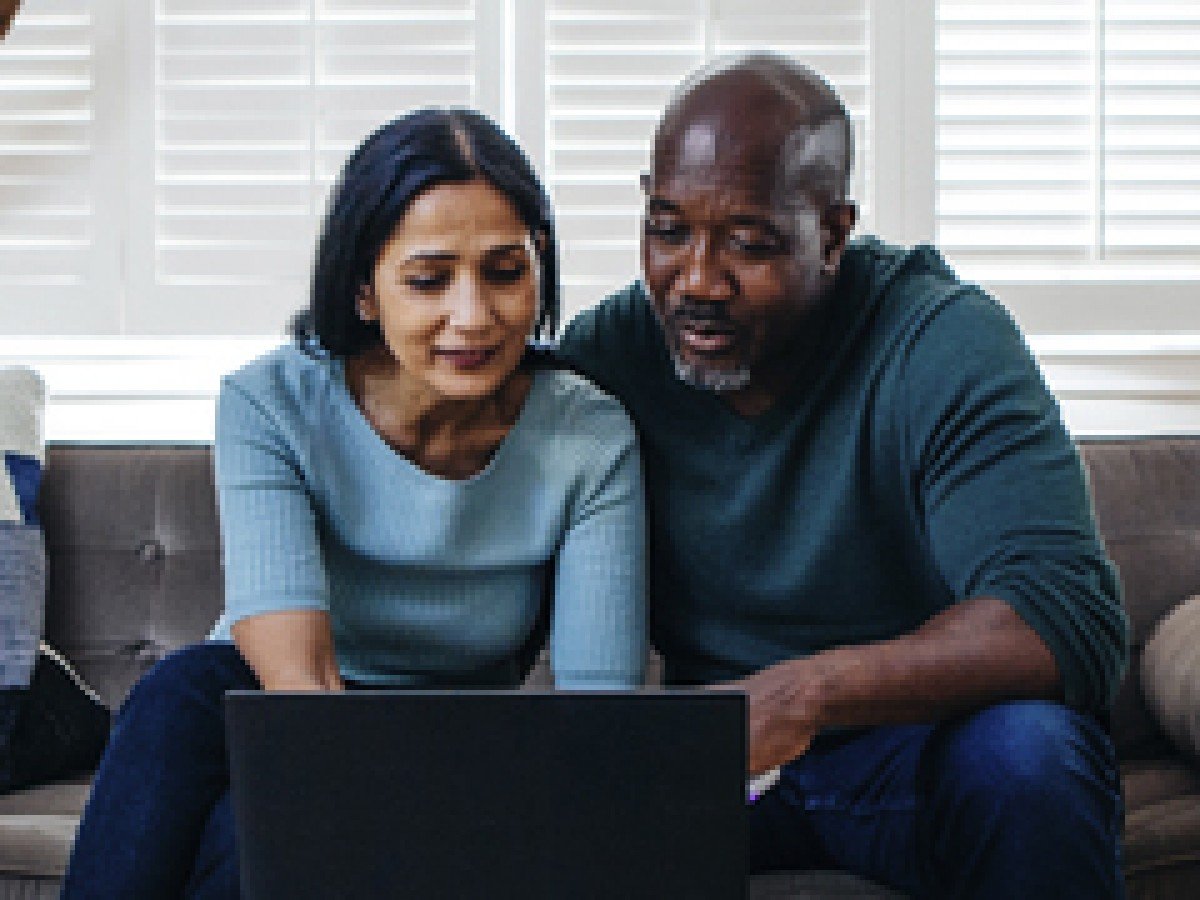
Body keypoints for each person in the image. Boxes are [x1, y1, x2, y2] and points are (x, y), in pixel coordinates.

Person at [557, 55, 1129, 898]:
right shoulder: (611, 355)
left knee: (1032, 758)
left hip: (911, 755)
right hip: (712, 776)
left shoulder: (941, 341)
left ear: (831, 234)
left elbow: (1065, 617)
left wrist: (805, 693)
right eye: (668, 228)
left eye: (749, 241)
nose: (698, 279)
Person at [61, 108, 646, 898]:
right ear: (364, 290)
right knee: (183, 696)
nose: (473, 316)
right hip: (286, 710)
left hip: (456, 736)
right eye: (428, 279)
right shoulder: (271, 402)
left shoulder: (589, 436)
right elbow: (299, 695)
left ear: (540, 265)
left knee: (241, 844)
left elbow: (595, 727)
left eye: (505, 272)